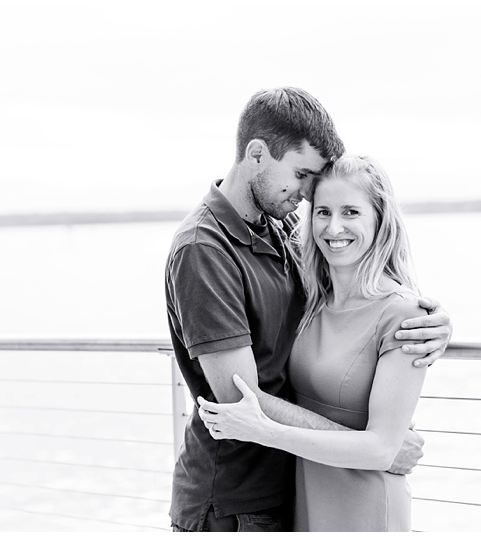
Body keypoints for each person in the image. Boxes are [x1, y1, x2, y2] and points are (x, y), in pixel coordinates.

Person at [164, 87, 451, 532]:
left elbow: (361, 287)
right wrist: (380, 448)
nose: (305, 195)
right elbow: (242, 400)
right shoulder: (205, 249)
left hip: (299, 486)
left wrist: (434, 323)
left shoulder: (283, 228)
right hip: (236, 499)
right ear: (256, 154)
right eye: (301, 175)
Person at [198, 155, 430, 531]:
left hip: (365, 508)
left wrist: (266, 431)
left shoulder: (403, 315)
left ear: (380, 219)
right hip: (307, 501)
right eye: (322, 211)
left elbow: (382, 450)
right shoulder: (312, 301)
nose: (334, 227)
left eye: (351, 212)